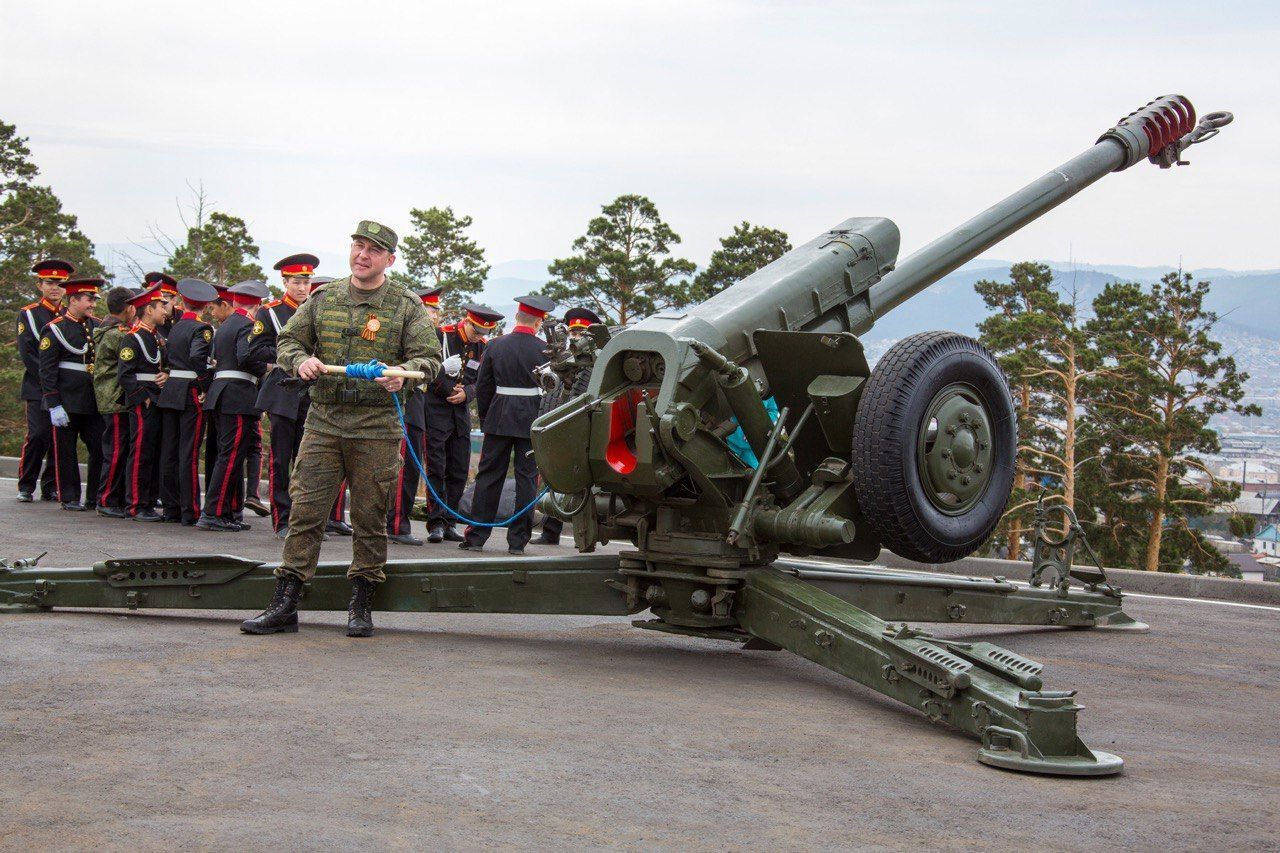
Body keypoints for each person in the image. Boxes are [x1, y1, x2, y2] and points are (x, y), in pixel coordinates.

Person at [241, 220, 440, 638]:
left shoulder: (405, 306)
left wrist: (405, 374)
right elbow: (288, 343)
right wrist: (299, 362)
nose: (361, 255)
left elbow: (429, 360)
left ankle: (362, 603)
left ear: (389, 258)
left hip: (377, 426)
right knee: (306, 512)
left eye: (372, 250)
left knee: (370, 516)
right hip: (325, 421)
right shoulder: (323, 299)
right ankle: (285, 602)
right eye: (357, 246)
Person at [461, 294, 555, 555]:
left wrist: (486, 416)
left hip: (499, 417)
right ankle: (518, 541)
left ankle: (477, 536)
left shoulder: (495, 345)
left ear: (517, 316)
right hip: (532, 420)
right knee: (527, 479)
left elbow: (483, 385)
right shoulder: (544, 350)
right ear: (539, 322)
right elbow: (552, 391)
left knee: (489, 476)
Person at [245, 253, 319, 539]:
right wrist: (292, 357)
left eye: (307, 281)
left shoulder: (315, 311)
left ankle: (304, 520)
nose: (303, 287)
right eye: (298, 282)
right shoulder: (271, 313)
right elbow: (255, 351)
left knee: (308, 460)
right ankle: (282, 519)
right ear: (285, 282)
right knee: (281, 459)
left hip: (311, 392)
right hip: (283, 391)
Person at [424, 300, 499, 543]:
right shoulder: (442, 336)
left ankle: (450, 521)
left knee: (458, 468)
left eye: (484, 333)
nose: (479, 337)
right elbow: (427, 368)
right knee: (437, 466)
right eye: (476, 331)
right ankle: (435, 521)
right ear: (466, 322)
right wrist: (448, 388)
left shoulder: (482, 347)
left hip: (461, 414)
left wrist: (468, 392)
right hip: (436, 408)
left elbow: (483, 380)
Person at [197, 280, 269, 531]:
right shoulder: (249, 324)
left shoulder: (226, 325)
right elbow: (246, 356)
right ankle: (214, 512)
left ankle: (226, 511)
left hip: (222, 393)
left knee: (226, 455)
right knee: (230, 456)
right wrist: (266, 368)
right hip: (237, 395)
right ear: (258, 305)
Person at [536, 306, 602, 545]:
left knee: (581, 483)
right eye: (573, 332)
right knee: (554, 477)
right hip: (557, 423)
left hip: (582, 429)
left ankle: (583, 534)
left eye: (580, 332)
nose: (575, 337)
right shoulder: (561, 363)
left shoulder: (596, 364)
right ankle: (550, 531)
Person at [37, 278, 104, 510]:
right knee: (65, 452)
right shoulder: (55, 328)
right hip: (66, 400)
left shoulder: (96, 326)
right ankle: (69, 496)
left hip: (92, 400)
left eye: (94, 300)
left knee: (99, 448)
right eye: (89, 300)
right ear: (73, 300)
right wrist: (53, 404)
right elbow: (46, 370)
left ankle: (94, 496)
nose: (93, 305)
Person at [157, 278, 217, 525]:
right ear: (205, 305)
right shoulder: (201, 329)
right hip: (190, 390)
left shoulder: (176, 328)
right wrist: (205, 385)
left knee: (169, 451)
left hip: (171, 389)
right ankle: (189, 510)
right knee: (188, 452)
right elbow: (197, 358)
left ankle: (170, 507)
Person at [383, 287, 437, 546]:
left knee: (412, 471)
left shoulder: (428, 338)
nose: (434, 315)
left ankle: (399, 521)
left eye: (437, 310)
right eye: (431, 309)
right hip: (404, 405)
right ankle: (396, 525)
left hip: (419, 405)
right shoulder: (404, 332)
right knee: (402, 470)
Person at [16, 258, 72, 503]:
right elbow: (28, 352)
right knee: (38, 435)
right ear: (40, 285)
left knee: (58, 438)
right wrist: (49, 380)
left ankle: (51, 485)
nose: (55, 288)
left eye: (60, 284)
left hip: (65, 386)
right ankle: (26, 484)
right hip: (38, 385)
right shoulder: (29, 314)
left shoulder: (69, 316)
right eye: (50, 282)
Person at [118, 285, 170, 521]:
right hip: (142, 401)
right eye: (161, 306)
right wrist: (144, 397)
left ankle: (148, 500)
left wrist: (167, 374)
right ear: (149, 309)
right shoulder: (132, 338)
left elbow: (164, 364)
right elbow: (125, 374)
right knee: (140, 451)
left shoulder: (156, 337)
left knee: (153, 450)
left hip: (156, 397)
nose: (165, 311)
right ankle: (136, 504)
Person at [93, 286, 137, 518]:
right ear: (129, 308)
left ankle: (113, 497)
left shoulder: (108, 329)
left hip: (113, 398)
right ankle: (107, 499)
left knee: (119, 449)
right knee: (117, 450)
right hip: (115, 399)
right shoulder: (116, 334)